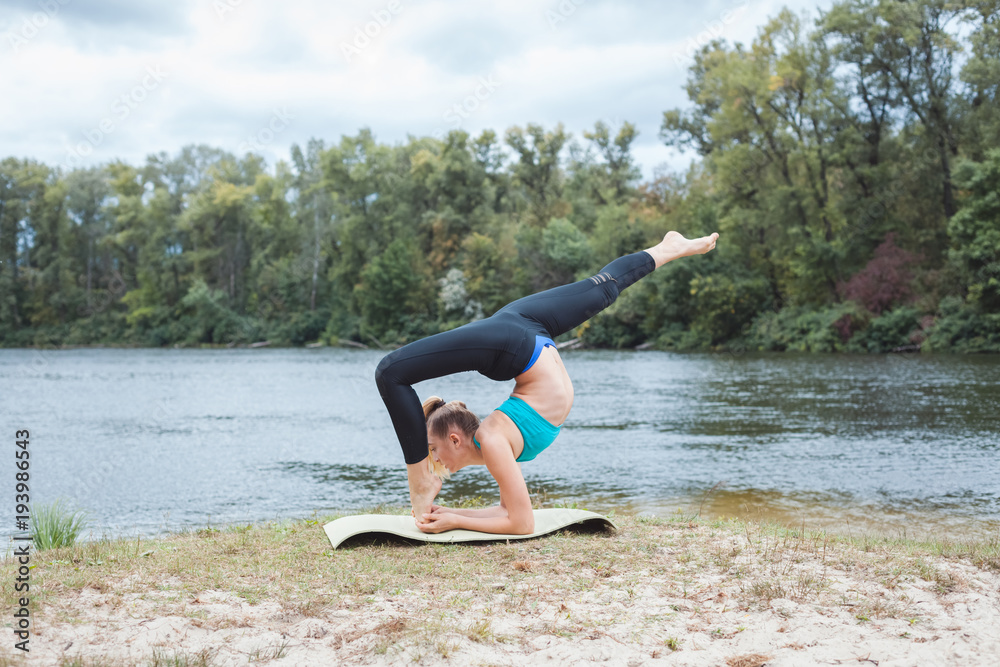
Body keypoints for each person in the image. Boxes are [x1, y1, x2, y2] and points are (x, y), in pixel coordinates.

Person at [374, 231, 719, 535]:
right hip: (528, 328)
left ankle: (418, 482)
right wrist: (453, 514)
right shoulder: (495, 444)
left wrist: (458, 521)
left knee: (390, 372)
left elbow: (522, 525)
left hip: (510, 342)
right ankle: (667, 248)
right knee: (605, 287)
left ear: (454, 438)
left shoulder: (491, 439)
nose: (437, 460)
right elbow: (508, 513)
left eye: (432, 451)